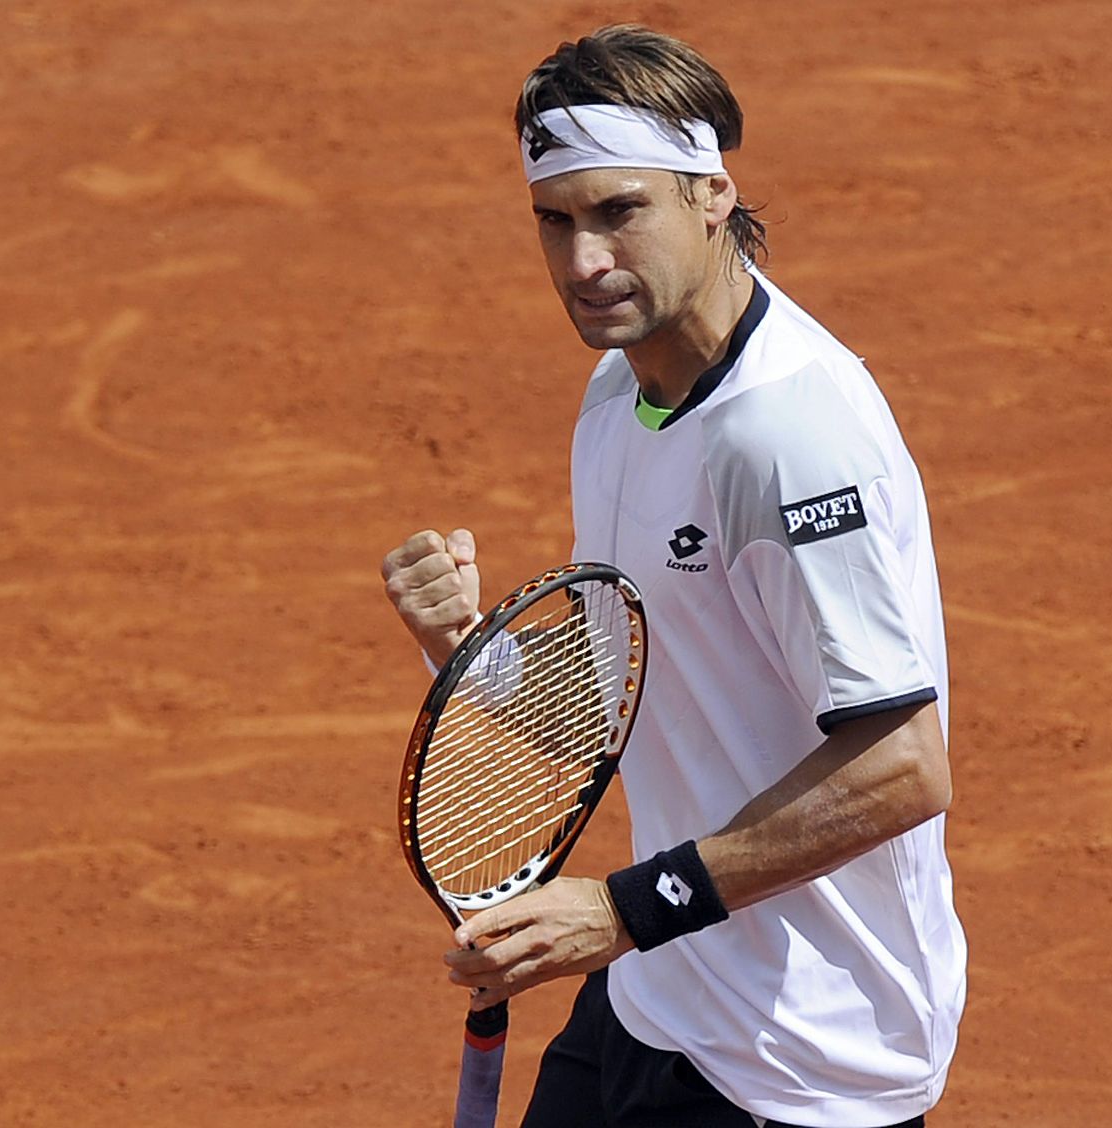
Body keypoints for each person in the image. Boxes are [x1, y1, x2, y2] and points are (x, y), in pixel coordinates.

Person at [381, 25, 965, 1128]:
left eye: (618, 212)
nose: (582, 263)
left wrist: (618, 911)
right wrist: (468, 653)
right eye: (553, 221)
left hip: (798, 1057)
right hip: (661, 994)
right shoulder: (618, 395)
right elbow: (626, 695)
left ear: (711, 192)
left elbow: (901, 769)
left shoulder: (788, 436)